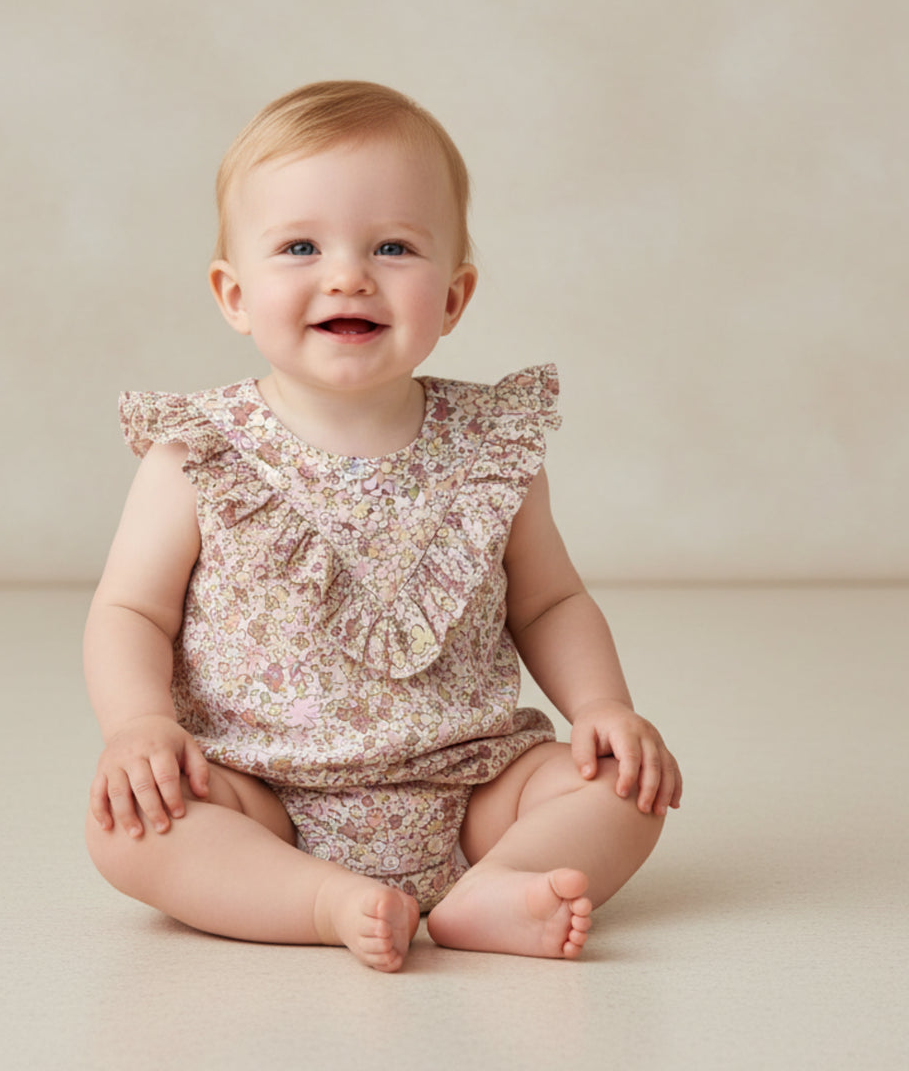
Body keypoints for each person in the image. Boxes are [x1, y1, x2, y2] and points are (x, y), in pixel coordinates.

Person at [83, 80, 682, 972]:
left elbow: (551, 602)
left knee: (625, 790)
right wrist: (137, 724)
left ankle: (498, 888)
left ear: (454, 297)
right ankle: (323, 901)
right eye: (300, 247)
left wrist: (602, 708)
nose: (348, 276)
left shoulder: (491, 451)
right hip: (263, 790)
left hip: (474, 784)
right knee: (130, 831)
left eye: (393, 247)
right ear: (234, 294)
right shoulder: (198, 456)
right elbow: (131, 611)